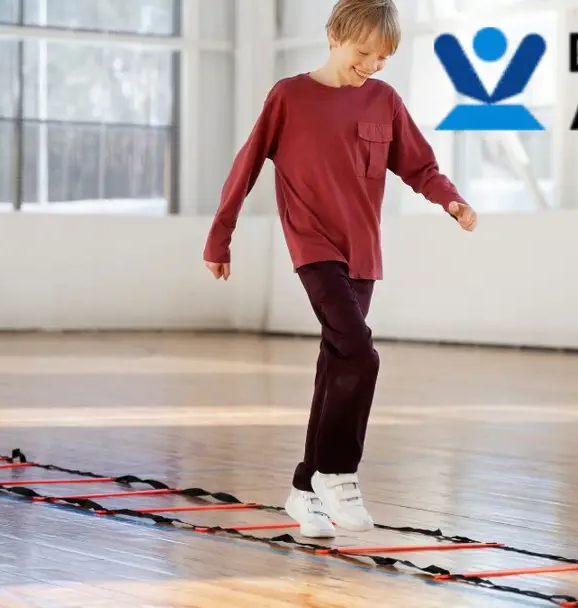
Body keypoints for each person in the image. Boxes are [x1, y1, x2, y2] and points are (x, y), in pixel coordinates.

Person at [202, 0, 477, 538]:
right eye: (364, 52)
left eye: (383, 57)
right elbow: (247, 162)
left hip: (363, 253)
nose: (372, 65)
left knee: (337, 365)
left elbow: (419, 165)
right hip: (313, 246)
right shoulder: (289, 96)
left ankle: (304, 491)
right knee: (358, 351)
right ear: (334, 35)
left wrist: (450, 200)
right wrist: (221, 235)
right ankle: (338, 473)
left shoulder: (384, 100)